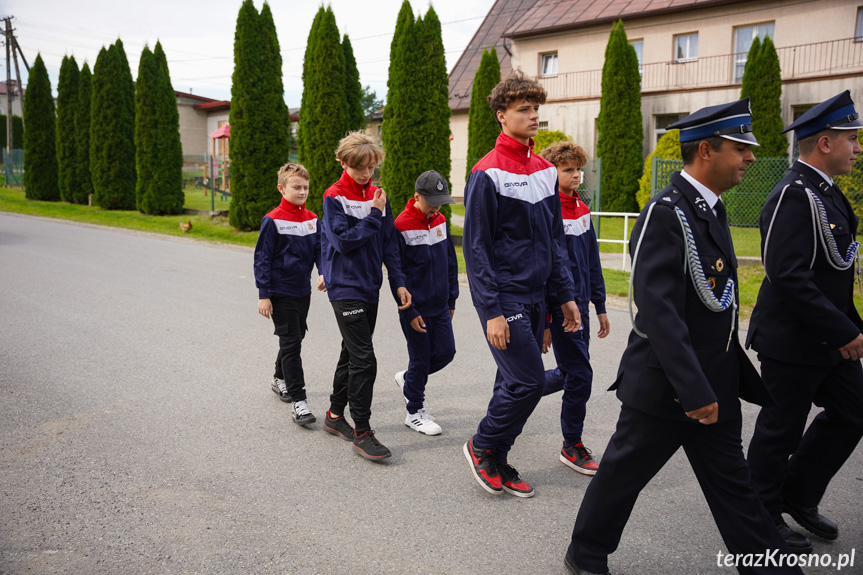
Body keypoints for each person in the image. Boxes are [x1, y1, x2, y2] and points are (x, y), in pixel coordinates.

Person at [565, 99, 803, 575]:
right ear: (707, 152)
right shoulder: (667, 211)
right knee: (623, 474)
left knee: (733, 485)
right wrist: (694, 390)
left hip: (713, 381)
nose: (751, 158)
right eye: (741, 148)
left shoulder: (709, 209)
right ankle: (586, 553)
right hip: (669, 387)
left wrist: (717, 383)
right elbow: (659, 311)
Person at [746, 90, 863, 552]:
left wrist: (849, 328)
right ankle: (762, 516)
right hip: (793, 341)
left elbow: (835, 273)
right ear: (826, 143)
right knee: (781, 429)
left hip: (828, 339)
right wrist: (842, 331)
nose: (858, 148)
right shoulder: (793, 194)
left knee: (854, 413)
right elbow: (787, 274)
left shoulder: (827, 192)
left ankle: (798, 493)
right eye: (852, 139)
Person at [462, 70, 581, 499]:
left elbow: (554, 240)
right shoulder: (487, 173)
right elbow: (475, 249)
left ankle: (499, 456)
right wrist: (491, 309)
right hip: (504, 295)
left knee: (510, 382)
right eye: (524, 110)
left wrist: (563, 296)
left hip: (538, 295)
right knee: (529, 381)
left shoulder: (546, 171)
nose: (533, 117)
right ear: (501, 115)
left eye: (536, 109)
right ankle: (481, 445)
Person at [320, 131, 412, 461]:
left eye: (372, 167)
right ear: (344, 163)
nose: (368, 173)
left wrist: (398, 282)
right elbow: (343, 241)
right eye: (361, 167)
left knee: (351, 352)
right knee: (364, 359)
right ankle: (363, 431)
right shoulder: (334, 196)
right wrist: (373, 214)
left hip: (370, 285)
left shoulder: (378, 194)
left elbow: (388, 243)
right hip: (344, 287)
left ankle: (333, 416)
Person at [538, 141, 609, 476]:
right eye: (568, 169)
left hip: (582, 305)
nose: (576, 175)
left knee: (569, 373)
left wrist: (601, 305)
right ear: (551, 172)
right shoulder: (547, 212)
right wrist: (547, 322)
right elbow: (546, 271)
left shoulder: (581, 209)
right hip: (560, 310)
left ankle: (514, 391)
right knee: (580, 374)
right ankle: (572, 445)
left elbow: (591, 262)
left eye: (578, 169)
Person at [254, 162, 324, 426]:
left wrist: (323, 271)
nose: (302, 191)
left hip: (302, 290)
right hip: (279, 292)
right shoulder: (272, 220)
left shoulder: (311, 218)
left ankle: (279, 377)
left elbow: (319, 250)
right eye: (296, 187)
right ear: (281, 188)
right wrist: (264, 294)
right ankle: (299, 402)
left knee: (295, 336)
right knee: (292, 342)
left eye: (305, 187)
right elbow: (262, 259)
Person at [390, 170, 459, 436]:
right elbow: (397, 274)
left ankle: (409, 380)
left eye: (441, 200)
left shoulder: (440, 219)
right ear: (417, 196)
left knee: (446, 352)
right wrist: (410, 311)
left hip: (441, 304)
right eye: (432, 200)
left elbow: (450, 262)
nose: (438, 205)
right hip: (415, 308)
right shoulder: (401, 225)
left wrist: (452, 297)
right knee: (420, 358)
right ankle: (414, 412)